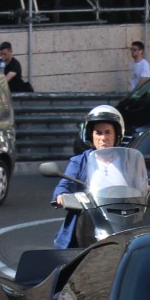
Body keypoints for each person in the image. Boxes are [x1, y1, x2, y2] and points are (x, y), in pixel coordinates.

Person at [51, 104, 125, 249]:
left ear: (117, 134)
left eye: (108, 132)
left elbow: (145, 182)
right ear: (90, 135)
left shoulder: (127, 161)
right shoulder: (79, 162)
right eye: (98, 133)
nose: (103, 138)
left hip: (123, 221)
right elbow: (65, 185)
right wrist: (61, 195)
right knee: (69, 266)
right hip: (89, 223)